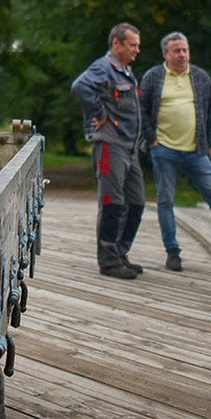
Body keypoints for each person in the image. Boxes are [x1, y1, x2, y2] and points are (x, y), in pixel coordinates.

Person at [140, 32, 211, 273]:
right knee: (165, 200)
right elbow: (141, 110)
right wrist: (151, 140)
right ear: (166, 54)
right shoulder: (153, 76)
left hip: (197, 149)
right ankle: (173, 252)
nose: (182, 55)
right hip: (164, 149)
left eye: (185, 50)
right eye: (177, 51)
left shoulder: (200, 77)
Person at [71, 22, 146, 280]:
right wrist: (99, 114)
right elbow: (80, 86)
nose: (137, 50)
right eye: (132, 45)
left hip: (129, 146)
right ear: (117, 44)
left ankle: (120, 252)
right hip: (110, 144)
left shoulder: (126, 70)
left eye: (137, 45)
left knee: (136, 203)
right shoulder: (103, 67)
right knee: (111, 203)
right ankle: (108, 261)